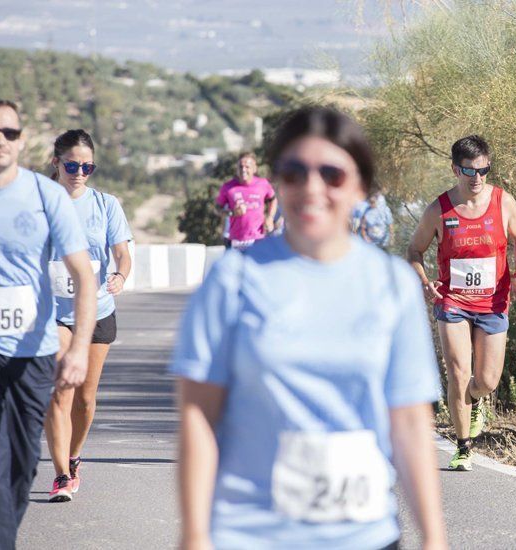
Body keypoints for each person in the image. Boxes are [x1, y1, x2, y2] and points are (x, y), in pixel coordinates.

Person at [171, 106, 447, 550]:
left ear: (360, 186)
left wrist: (434, 538)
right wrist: (195, 535)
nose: (312, 188)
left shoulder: (391, 284)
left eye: (332, 174)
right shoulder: (233, 280)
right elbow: (199, 415)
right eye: (294, 172)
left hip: (365, 535)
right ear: (277, 183)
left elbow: (411, 423)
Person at [0, 100, 96, 545]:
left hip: (31, 352)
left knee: (19, 469)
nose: (2, 140)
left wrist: (78, 348)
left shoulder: (45, 194)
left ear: (22, 140)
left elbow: (83, 276)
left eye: (11, 133)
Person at [407, 135, 516, 471]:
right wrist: (424, 282)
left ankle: (477, 400)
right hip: (452, 302)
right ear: (455, 170)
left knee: (487, 380)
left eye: (483, 170)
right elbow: (414, 250)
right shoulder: (439, 210)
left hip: (493, 303)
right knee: (459, 373)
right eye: (469, 171)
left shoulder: (503, 202)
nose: (477, 178)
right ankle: (463, 446)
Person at [42, 129, 133, 503]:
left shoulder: (105, 204)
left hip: (97, 310)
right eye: (72, 165)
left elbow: (123, 253)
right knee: (61, 390)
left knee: (85, 399)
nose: (79, 172)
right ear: (56, 163)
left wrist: (120, 275)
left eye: (87, 166)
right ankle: (62, 474)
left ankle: (74, 457)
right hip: (53, 312)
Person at [215, 152, 277, 250]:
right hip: (235, 240)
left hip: (258, 239)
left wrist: (270, 217)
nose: (243, 170)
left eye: (247, 167)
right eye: (240, 167)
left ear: (254, 169)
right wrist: (232, 212)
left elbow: (273, 199)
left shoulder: (263, 184)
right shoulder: (228, 187)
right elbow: (217, 208)